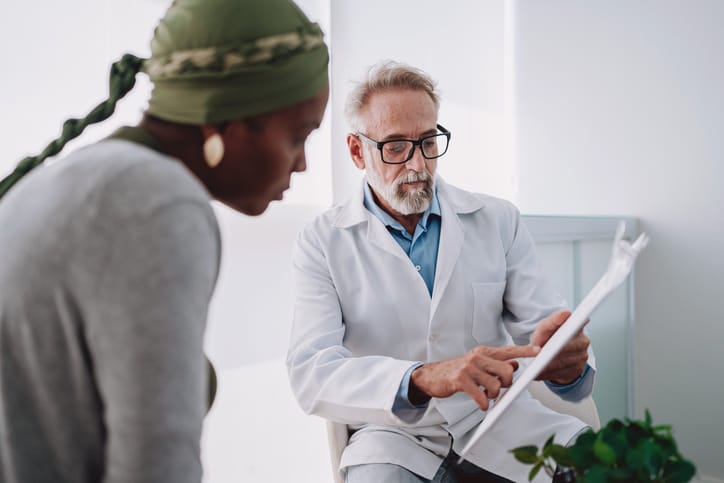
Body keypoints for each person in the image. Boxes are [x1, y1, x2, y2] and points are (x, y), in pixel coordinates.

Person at [0, 0, 328, 482]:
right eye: (298, 137)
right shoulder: (159, 203)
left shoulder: (86, 176)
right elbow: (154, 463)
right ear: (222, 125)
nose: (301, 164)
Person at [286, 61, 594, 483]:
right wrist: (424, 377)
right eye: (395, 146)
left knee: (607, 469)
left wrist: (567, 364)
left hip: (497, 418)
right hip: (392, 434)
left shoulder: (497, 219)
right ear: (358, 151)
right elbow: (312, 372)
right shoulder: (322, 240)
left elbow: (546, 331)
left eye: (428, 141)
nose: (417, 164)